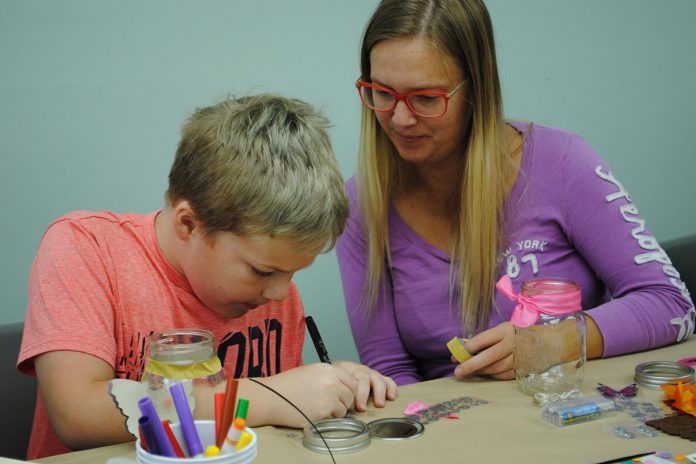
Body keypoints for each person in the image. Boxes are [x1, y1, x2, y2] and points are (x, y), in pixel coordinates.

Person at [336, 0, 695, 387]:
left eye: (426, 99)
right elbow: (390, 370)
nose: (401, 118)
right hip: (456, 429)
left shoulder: (562, 162)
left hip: (569, 403)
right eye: (382, 93)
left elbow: (670, 305)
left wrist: (552, 341)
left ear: (476, 90)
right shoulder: (360, 204)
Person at [17, 94, 397, 459]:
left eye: (293, 272)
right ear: (189, 224)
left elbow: (272, 426)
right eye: (262, 271)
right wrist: (270, 396)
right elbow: (77, 413)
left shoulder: (267, 292)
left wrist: (328, 388)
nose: (282, 292)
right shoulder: (86, 247)